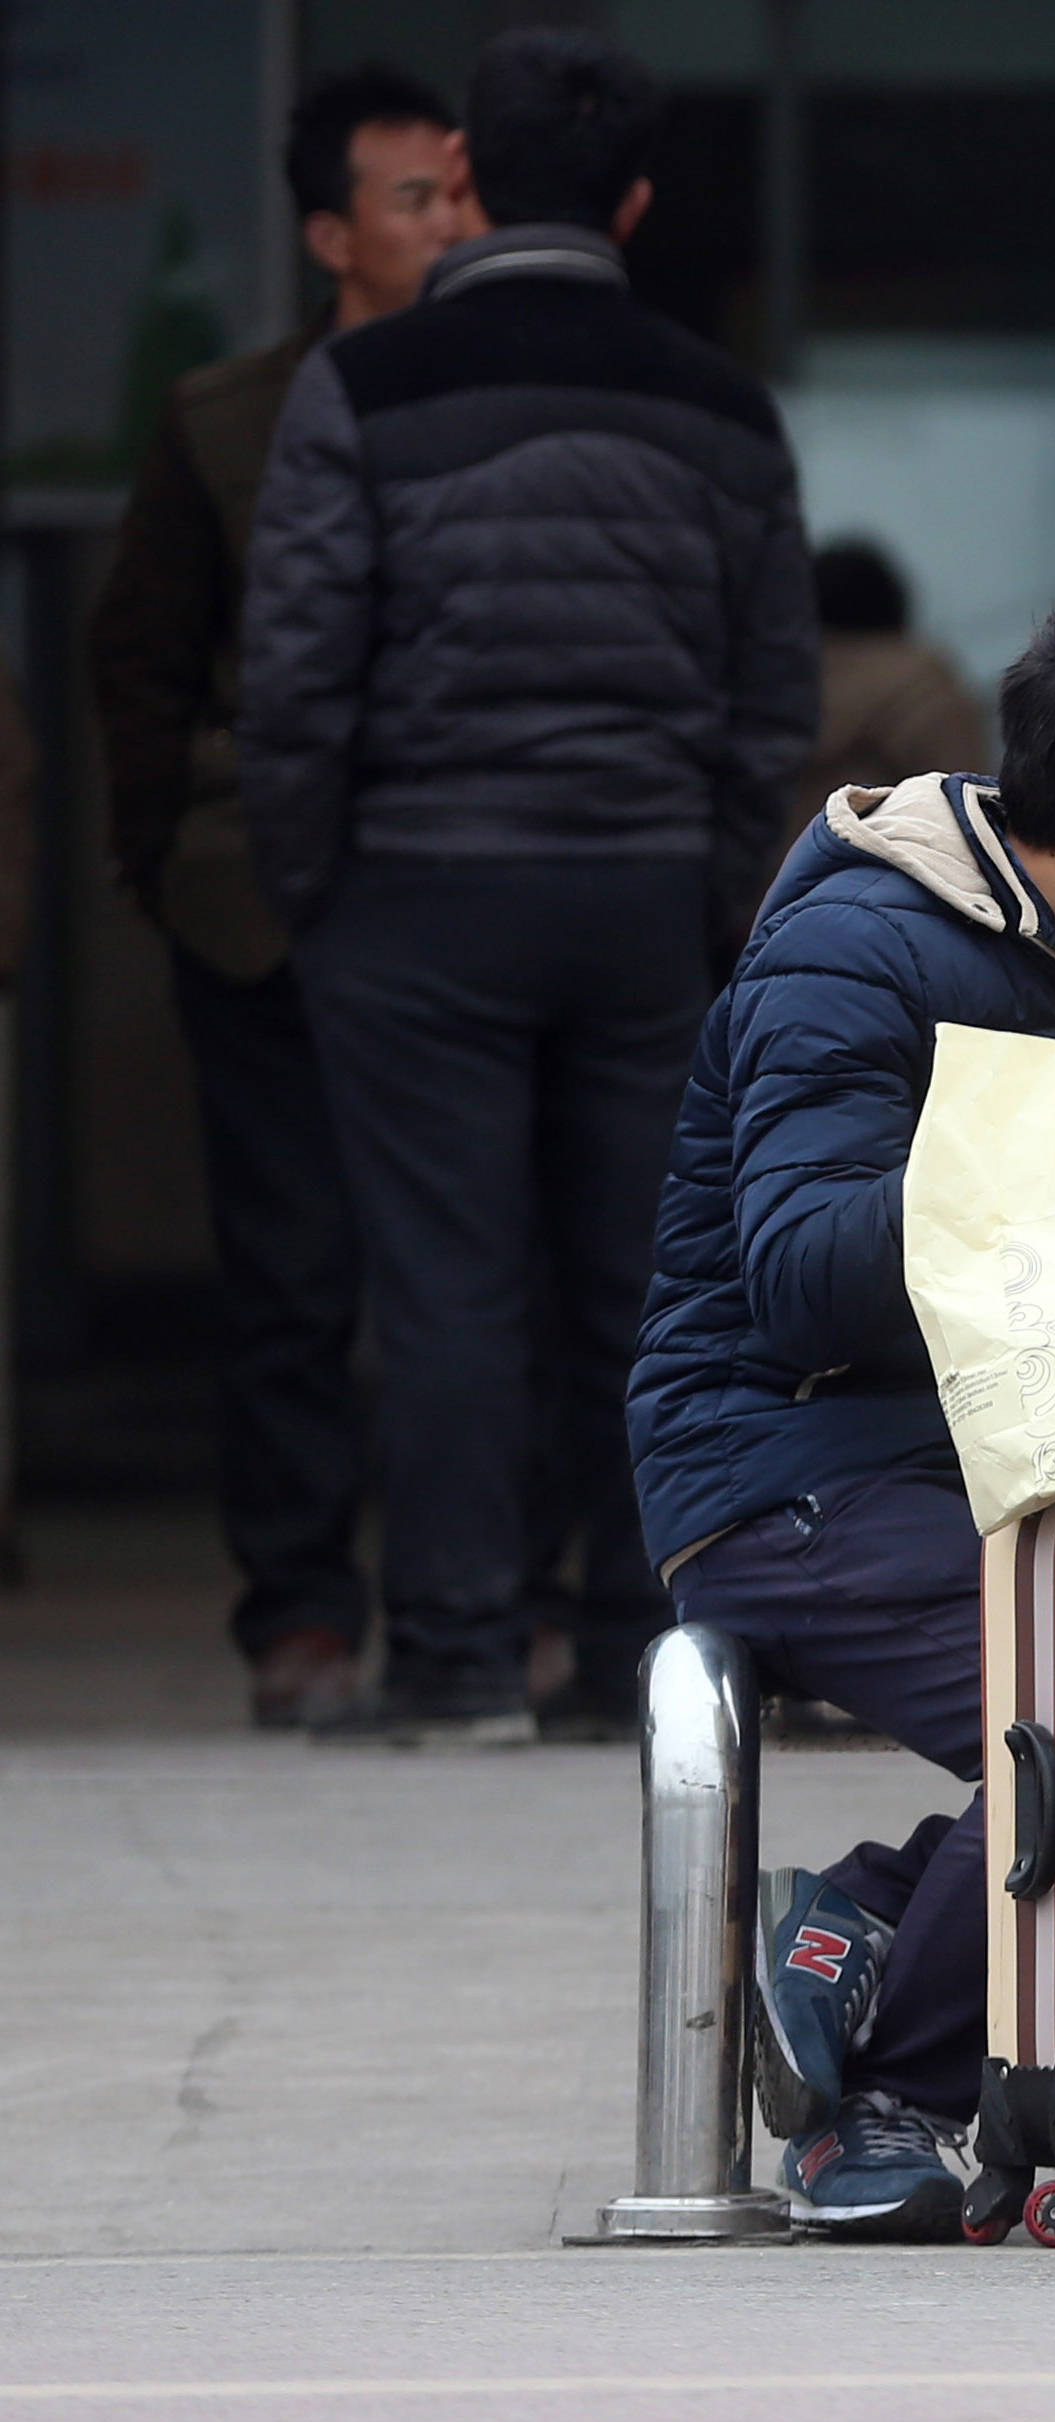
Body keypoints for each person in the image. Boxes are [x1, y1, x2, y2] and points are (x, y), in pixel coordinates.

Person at [629, 579, 1055, 2241]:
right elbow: (802, 1273)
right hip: (787, 1469)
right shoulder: (859, 945)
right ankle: (883, 2088)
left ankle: (856, 1911)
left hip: (981, 1467)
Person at [240, 28, 818, 1742]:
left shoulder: (358, 393)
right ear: (631, 200)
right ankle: (639, 1653)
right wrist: (714, 891)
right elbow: (769, 693)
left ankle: (460, 1659)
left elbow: (293, 675)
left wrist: (312, 888)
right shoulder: (721, 409)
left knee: (442, 1287)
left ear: (472, 182)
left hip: (413, 898)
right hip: (644, 896)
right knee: (641, 1289)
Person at [88, 65, 473, 1729]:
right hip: (264, 915)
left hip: (458, 895)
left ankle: (486, 1609)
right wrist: (170, 869)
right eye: (412, 202)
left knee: (475, 1273)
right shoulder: (224, 417)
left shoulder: (500, 397)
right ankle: (303, 1618)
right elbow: (144, 662)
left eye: (460, 196)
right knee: (291, 1276)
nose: (449, 226)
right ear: (329, 233)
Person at [788, 540, 989, 851]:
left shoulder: (762, 697)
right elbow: (972, 822)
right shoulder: (925, 693)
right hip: (896, 888)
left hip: (775, 892)